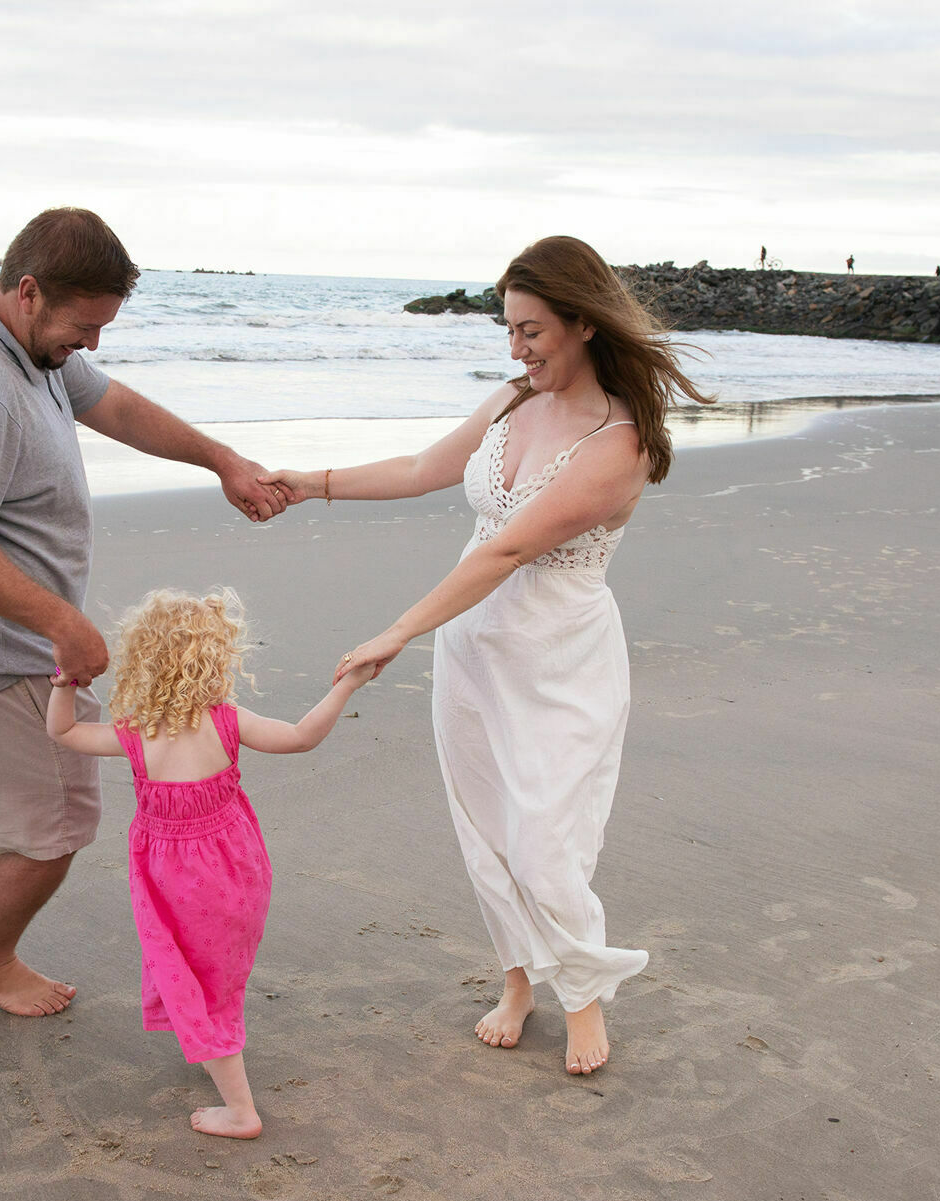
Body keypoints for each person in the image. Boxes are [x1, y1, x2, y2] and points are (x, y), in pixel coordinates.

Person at [0, 209, 290, 1048]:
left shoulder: (28, 345)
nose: (94, 346)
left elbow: (115, 406)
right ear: (30, 291)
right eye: (86, 325)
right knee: (54, 832)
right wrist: (62, 624)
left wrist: (220, 458)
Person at [261, 235, 708, 1075]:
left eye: (531, 330)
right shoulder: (510, 401)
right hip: (474, 649)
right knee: (487, 830)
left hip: (560, 658)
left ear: (581, 322)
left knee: (546, 837)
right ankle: (517, 982)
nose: (515, 348)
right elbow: (426, 467)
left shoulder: (621, 446)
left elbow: (504, 552)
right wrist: (309, 482)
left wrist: (399, 629)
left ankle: (583, 995)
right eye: (508, 329)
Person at [45, 588, 371, 1137]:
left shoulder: (135, 732)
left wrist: (64, 683)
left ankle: (240, 1110)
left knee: (191, 976)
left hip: (171, 877)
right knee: (216, 975)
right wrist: (348, 686)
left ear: (142, 659)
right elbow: (300, 737)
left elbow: (65, 732)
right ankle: (212, 1046)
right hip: (237, 867)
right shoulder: (225, 719)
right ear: (213, 656)